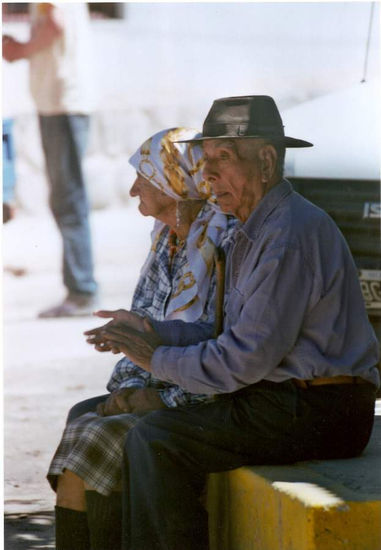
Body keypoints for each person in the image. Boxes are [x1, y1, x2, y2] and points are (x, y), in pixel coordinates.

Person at [96, 95, 380, 550]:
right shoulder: (251, 227)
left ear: (266, 162)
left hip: (321, 410)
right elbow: (222, 330)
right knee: (144, 435)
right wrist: (152, 330)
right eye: (205, 159)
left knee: (156, 440)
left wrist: (156, 357)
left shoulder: (288, 234)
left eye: (222, 159)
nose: (207, 174)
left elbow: (242, 359)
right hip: (281, 401)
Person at [47, 127, 236, 550]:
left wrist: (160, 400)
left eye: (145, 176)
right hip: (160, 383)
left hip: (203, 399)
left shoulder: (223, 243)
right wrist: (131, 389)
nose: (133, 188)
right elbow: (143, 323)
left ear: (177, 181)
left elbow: (222, 349)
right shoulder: (166, 241)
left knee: (101, 435)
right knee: (86, 416)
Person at [2, 3, 97, 317]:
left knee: (68, 198)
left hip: (62, 103)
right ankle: (80, 288)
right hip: (59, 103)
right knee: (66, 197)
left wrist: (20, 50)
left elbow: (54, 25)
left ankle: (82, 291)